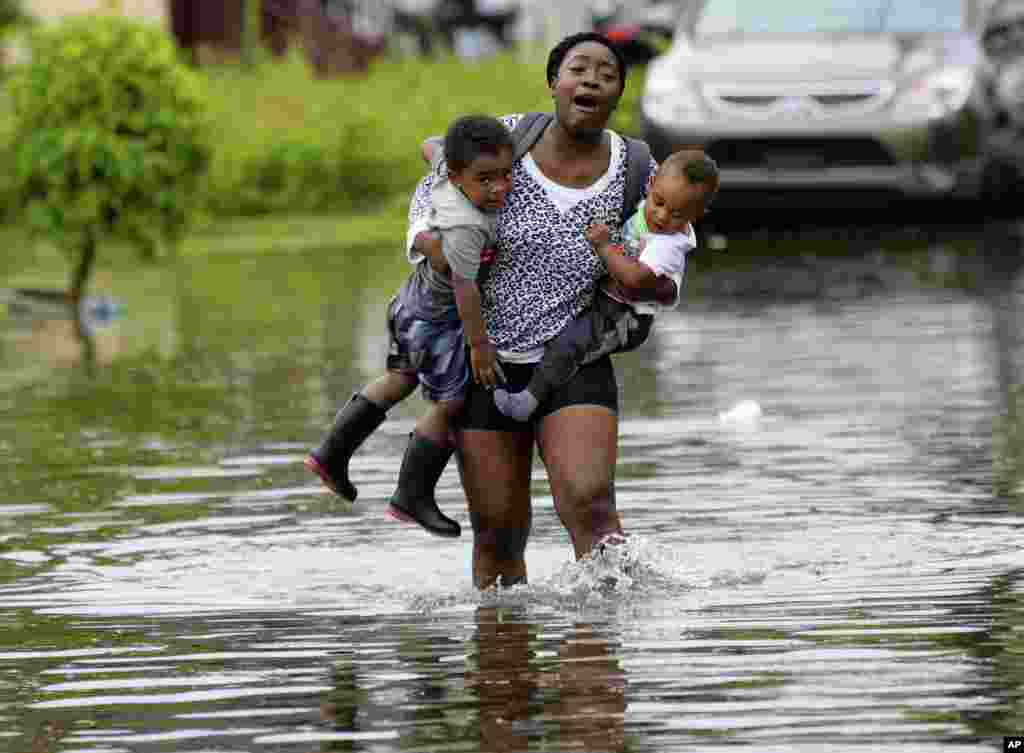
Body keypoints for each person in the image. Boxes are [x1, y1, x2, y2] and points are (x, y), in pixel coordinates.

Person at [405, 31, 681, 589]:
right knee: (498, 529)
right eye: (578, 68)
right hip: (484, 358)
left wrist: (658, 277)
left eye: (607, 74)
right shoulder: (505, 138)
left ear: (617, 95)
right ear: (554, 83)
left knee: (590, 503)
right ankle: (502, 661)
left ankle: (605, 650)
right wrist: (434, 247)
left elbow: (673, 225)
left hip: (575, 354)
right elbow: (434, 188)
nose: (592, 79)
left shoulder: (638, 166)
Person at [305, 114, 514, 539]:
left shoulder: (444, 169)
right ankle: (412, 494)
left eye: (506, 175)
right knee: (452, 403)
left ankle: (331, 452)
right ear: (457, 178)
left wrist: (444, 152)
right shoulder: (467, 227)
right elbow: (465, 289)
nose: (499, 189)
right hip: (438, 321)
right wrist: (478, 345)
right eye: (485, 180)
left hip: (408, 306)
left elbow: (429, 143)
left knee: (400, 378)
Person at [492, 149, 720, 421]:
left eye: (677, 214)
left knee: (570, 344)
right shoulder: (647, 211)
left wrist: (603, 246)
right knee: (566, 340)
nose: (661, 217)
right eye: (659, 202)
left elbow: (634, 280)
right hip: (610, 301)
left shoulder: (667, 244)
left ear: (695, 216)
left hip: (624, 316)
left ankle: (528, 401)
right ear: (651, 184)